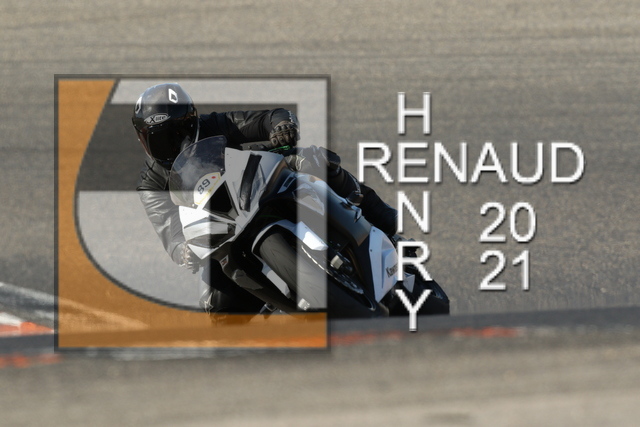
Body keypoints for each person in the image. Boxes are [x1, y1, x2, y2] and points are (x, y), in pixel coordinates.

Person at [132, 83, 397, 317]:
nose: (171, 145)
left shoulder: (215, 125)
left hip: (258, 189)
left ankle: (378, 214)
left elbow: (270, 117)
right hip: (219, 230)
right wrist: (183, 251)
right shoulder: (150, 183)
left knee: (314, 160)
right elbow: (170, 230)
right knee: (215, 308)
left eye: (176, 134)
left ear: (192, 123)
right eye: (156, 139)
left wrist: (282, 126)